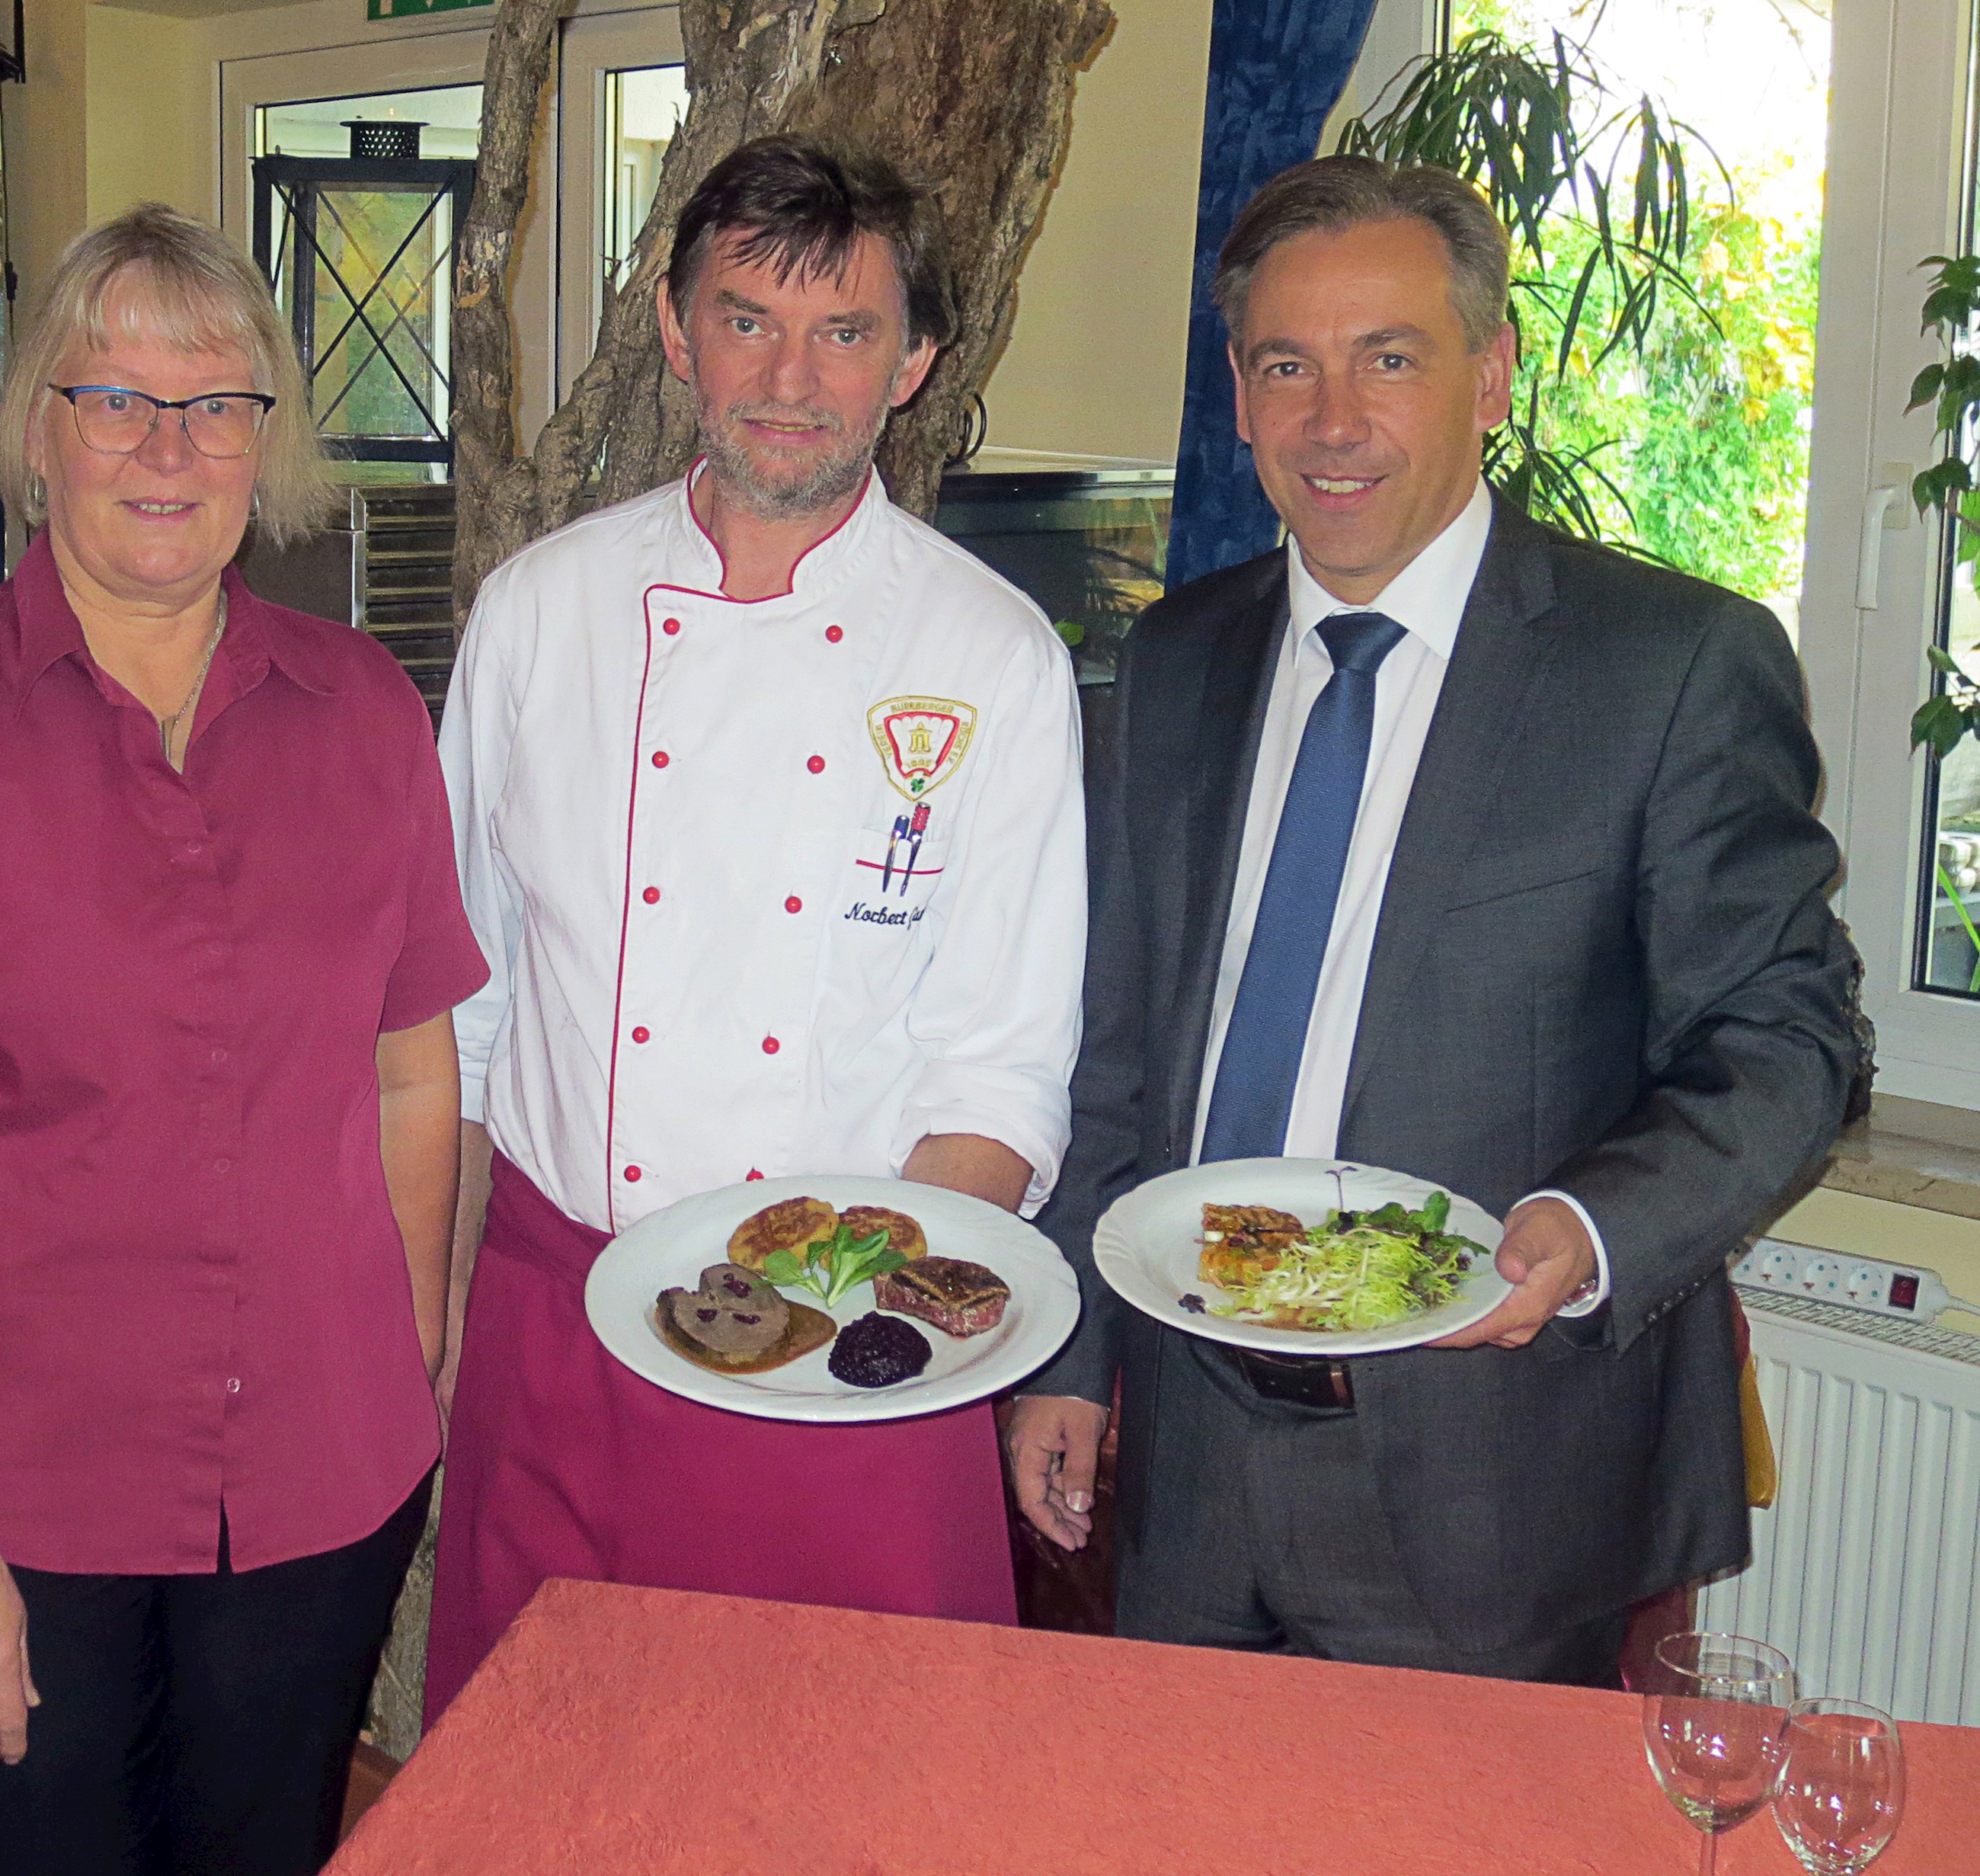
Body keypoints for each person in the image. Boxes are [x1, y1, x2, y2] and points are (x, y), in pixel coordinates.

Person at [1007, 155, 1864, 1682]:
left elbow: (1786, 1037)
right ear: (1238, 387)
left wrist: (1592, 1228)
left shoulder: (1663, 667)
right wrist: (1068, 1353)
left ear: (1488, 372)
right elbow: (1118, 1050)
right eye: (1286, 364)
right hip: (1189, 1458)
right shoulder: (1175, 661)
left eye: (1385, 359)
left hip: (1493, 1477)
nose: (1331, 420)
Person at [0, 204, 487, 1876]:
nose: (169, 446)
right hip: (7, 1493)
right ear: (38, 428)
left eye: (216, 402)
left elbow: (407, 1067)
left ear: (266, 441)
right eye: (116, 399)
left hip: (312, 1483)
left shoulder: (363, 713)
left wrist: (414, 1360)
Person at [424, 136, 1089, 1721]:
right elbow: (455, 1011)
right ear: (672, 328)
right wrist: (434, 1312)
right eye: (745, 319)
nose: (789, 378)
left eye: (843, 332)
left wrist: (842, 1330)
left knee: (844, 1788)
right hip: (554, 1327)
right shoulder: (539, 611)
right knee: (546, 1783)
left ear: (913, 361)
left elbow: (995, 1077)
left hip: (849, 1352)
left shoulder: (987, 657)